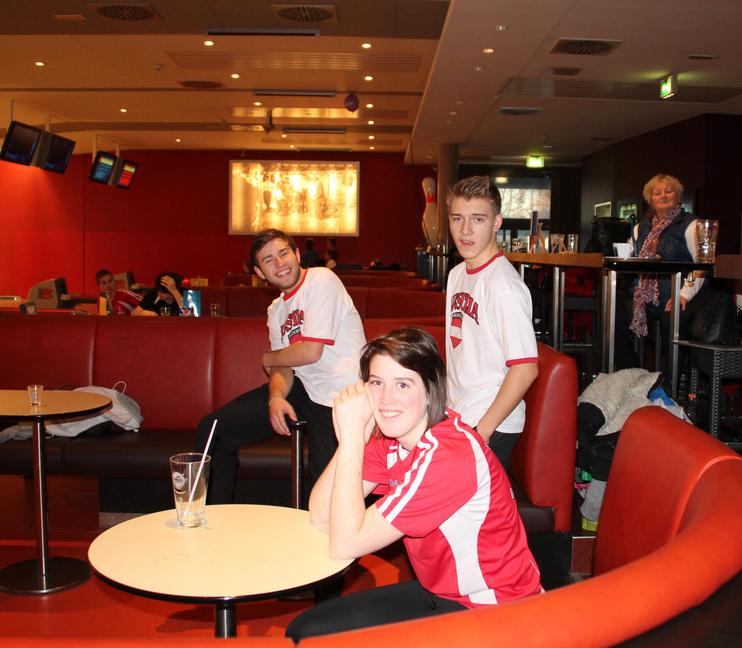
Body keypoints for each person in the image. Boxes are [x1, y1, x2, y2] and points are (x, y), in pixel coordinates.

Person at [284, 327, 542, 641]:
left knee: (323, 640)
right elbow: (320, 511)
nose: (386, 399)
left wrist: (351, 437)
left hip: (495, 610)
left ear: (431, 391)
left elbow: (345, 544)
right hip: (440, 593)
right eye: (376, 383)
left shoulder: (449, 456)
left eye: (403, 384)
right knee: (305, 632)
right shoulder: (393, 438)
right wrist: (356, 438)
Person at [196, 228, 365, 503]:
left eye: (284, 253)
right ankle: (211, 515)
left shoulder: (322, 280)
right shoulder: (276, 309)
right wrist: (276, 397)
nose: (280, 263)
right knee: (214, 428)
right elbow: (282, 365)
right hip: (303, 388)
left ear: (297, 254)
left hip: (340, 395)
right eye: (269, 260)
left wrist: (268, 358)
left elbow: (310, 351)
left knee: (327, 498)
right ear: (259, 272)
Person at [445, 175, 539, 471]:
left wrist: (482, 430)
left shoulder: (504, 287)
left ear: (497, 222)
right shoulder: (457, 274)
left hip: (491, 423)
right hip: (460, 414)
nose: (465, 230)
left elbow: (525, 368)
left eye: (478, 219)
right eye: (457, 218)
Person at [613, 174, 705, 371]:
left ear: (678, 197)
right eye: (657, 193)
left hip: (680, 295)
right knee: (614, 316)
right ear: (651, 200)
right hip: (646, 298)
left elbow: (702, 265)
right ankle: (633, 373)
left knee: (670, 322)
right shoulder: (641, 228)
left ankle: (669, 380)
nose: (663, 196)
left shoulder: (692, 225)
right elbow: (631, 257)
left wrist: (684, 294)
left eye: (668, 191)